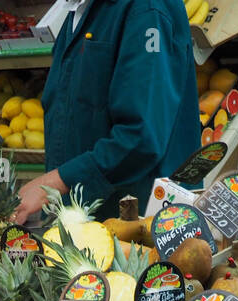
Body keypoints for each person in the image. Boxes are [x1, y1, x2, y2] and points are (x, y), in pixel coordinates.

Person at [13, 0, 200, 224]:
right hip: (84, 219)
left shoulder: (148, 9)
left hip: (138, 222)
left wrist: (54, 184)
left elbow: (141, 136)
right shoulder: (79, 11)